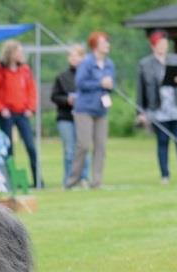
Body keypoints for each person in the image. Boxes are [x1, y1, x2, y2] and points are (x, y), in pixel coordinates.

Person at [136, 29, 177, 184]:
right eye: (160, 44)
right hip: (159, 109)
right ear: (153, 46)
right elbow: (141, 90)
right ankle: (165, 175)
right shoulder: (145, 64)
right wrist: (140, 112)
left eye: (165, 43)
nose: (163, 46)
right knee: (162, 142)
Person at [0, 40, 40, 187]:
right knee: (8, 149)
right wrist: (0, 108)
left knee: (31, 146)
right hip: (7, 114)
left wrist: (31, 107)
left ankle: (38, 180)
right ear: (10, 53)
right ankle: (10, 181)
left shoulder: (25, 70)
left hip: (23, 113)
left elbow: (32, 90)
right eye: (18, 52)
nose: (21, 55)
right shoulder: (0, 70)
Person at [66, 31, 115, 190]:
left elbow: (109, 85)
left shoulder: (109, 64)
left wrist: (108, 87)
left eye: (107, 42)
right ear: (95, 45)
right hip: (84, 109)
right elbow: (80, 83)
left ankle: (97, 181)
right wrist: (100, 83)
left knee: (101, 146)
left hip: (101, 110)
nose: (107, 45)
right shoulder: (87, 62)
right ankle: (72, 180)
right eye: (104, 42)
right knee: (84, 145)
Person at [51, 44, 90, 188]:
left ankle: (84, 178)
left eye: (77, 55)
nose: (74, 58)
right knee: (69, 150)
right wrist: (67, 100)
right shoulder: (62, 77)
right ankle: (69, 180)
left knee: (84, 147)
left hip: (84, 117)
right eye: (71, 55)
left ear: (83, 57)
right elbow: (54, 96)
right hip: (65, 117)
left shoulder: (88, 76)